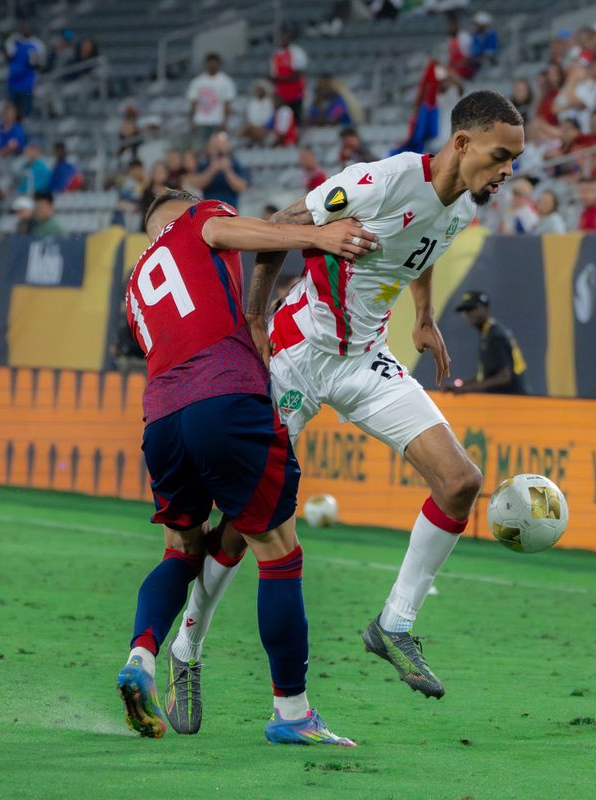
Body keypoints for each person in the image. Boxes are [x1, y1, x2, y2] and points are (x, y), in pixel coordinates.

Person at [170, 91, 524, 713]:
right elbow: (281, 222)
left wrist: (423, 316)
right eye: (501, 157)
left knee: (461, 483)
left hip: (364, 359)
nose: (508, 173)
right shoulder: (380, 181)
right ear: (463, 144)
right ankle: (185, 649)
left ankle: (394, 624)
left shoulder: (464, 204)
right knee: (242, 528)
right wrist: (255, 315)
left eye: (514, 161)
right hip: (296, 355)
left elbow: (423, 249)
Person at [117, 188, 376, 745]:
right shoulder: (200, 217)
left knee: (180, 551)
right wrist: (316, 235)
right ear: (184, 211)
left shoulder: (137, 283)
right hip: (226, 396)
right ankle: (292, 715)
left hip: (161, 419)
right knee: (278, 553)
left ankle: (142, 655)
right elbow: (234, 233)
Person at [448, 291, 527, 395]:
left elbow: (504, 377)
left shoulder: (495, 335)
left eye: (472, 309)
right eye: (466, 311)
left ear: (485, 308)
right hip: (507, 399)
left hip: (513, 400)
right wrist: (463, 386)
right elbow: (486, 377)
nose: (468, 314)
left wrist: (467, 389)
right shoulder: (487, 333)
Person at [187, 53, 236, 146]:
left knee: (218, 149)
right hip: (201, 121)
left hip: (218, 121)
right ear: (206, 63)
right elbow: (193, 102)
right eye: (210, 62)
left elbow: (227, 104)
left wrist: (225, 122)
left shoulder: (225, 81)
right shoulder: (197, 81)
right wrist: (191, 121)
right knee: (201, 148)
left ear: (219, 63)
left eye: (215, 62)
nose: (213, 65)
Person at [193, 131, 249, 209]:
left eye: (221, 146)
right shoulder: (204, 163)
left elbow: (241, 187)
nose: (218, 150)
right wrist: (212, 169)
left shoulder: (235, 163)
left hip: (230, 209)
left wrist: (228, 170)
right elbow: (196, 185)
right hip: (209, 209)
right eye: (215, 146)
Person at [4, 20, 45, 118]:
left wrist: (35, 61)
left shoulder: (37, 44)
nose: (24, 29)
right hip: (13, 82)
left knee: (26, 110)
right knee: (13, 110)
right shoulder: (13, 41)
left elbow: (40, 65)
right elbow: (8, 57)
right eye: (22, 27)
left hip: (27, 84)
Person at [270, 27, 307, 122]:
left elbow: (297, 75)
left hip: (295, 91)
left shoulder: (296, 52)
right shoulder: (276, 55)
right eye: (281, 38)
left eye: (285, 37)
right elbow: (274, 76)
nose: (282, 40)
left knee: (296, 117)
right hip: (282, 93)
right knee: (283, 118)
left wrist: (280, 79)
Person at [241, 80, 275, 144]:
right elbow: (250, 116)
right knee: (246, 129)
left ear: (264, 91)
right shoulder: (253, 103)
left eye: (260, 90)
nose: (258, 92)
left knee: (248, 129)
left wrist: (258, 126)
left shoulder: (269, 103)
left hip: (264, 128)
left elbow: (268, 118)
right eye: (257, 90)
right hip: (253, 126)